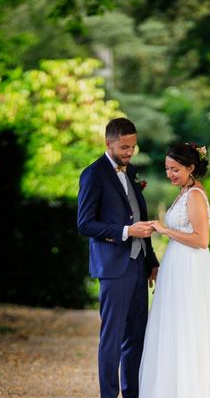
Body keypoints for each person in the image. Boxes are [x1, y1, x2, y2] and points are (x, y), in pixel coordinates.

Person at [139, 142, 210, 398]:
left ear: (191, 167)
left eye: (175, 169)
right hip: (177, 267)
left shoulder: (195, 195)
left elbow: (202, 240)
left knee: (189, 328)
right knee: (174, 329)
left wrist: (164, 230)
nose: (170, 174)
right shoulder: (184, 192)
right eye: (167, 168)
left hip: (190, 271)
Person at [77, 117, 160, 398]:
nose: (129, 152)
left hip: (138, 267)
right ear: (107, 142)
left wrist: (151, 261)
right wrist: (125, 231)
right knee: (111, 340)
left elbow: (140, 216)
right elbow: (85, 224)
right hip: (114, 268)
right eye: (124, 147)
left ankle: (133, 394)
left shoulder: (131, 171)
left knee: (136, 338)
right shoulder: (93, 174)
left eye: (133, 147)